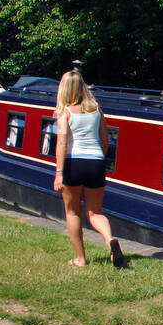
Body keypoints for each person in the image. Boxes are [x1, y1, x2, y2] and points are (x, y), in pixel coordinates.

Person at [52, 70, 125, 268]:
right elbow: (104, 139)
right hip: (96, 163)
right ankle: (110, 240)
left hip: (74, 163)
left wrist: (59, 173)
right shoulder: (96, 109)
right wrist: (98, 157)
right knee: (95, 212)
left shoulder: (65, 112)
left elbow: (61, 144)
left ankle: (81, 259)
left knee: (73, 212)